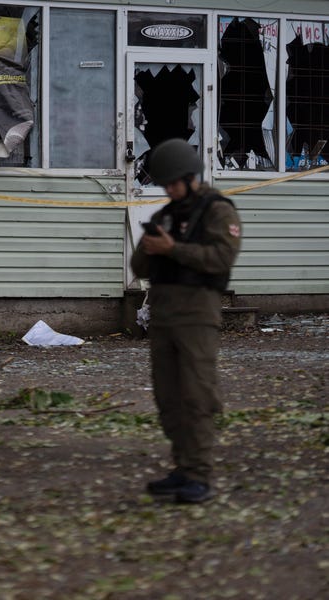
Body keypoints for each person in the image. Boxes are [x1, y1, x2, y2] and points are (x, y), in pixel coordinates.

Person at [130, 138, 242, 503]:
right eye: (166, 184)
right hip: (163, 318)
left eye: (175, 182)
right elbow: (138, 267)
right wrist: (151, 248)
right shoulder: (166, 214)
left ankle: (200, 475)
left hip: (196, 317)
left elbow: (221, 258)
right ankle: (182, 467)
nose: (170, 189)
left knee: (196, 395)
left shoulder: (217, 212)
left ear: (192, 175)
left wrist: (173, 249)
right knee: (169, 397)